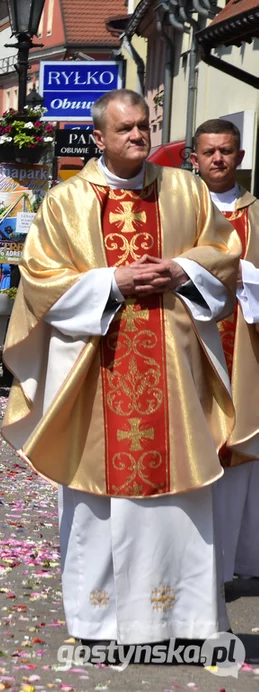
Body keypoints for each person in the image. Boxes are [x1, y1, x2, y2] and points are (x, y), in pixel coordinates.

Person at [1, 89, 239, 646]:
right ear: (100, 137)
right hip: (96, 374)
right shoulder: (66, 200)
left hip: (174, 378)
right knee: (98, 505)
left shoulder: (186, 190)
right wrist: (112, 282)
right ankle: (100, 623)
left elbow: (223, 254)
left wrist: (182, 270)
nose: (138, 136)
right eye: (126, 129)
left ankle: (183, 621)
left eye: (143, 128)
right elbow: (40, 281)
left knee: (180, 501)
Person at [191, 118, 259, 582]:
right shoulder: (179, 207)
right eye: (209, 151)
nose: (218, 159)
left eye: (227, 151)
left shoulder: (256, 212)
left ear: (239, 157)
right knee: (194, 444)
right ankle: (192, 563)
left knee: (238, 447)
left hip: (246, 348)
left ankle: (236, 561)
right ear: (193, 158)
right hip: (192, 341)